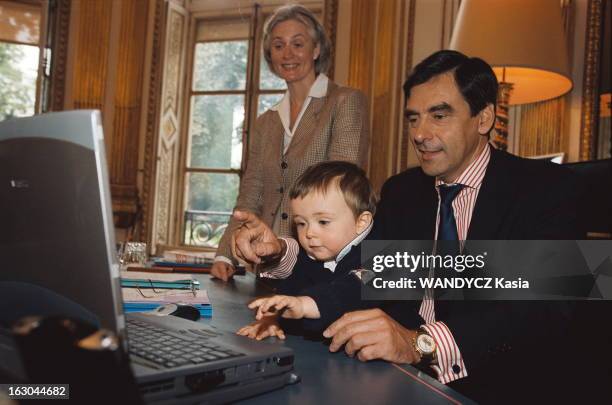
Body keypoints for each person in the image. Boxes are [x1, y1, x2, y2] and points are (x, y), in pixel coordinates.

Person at [230, 50, 599, 403]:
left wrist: (420, 343)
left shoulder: (549, 188)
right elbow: (361, 271)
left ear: (483, 118)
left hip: (502, 385)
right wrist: (280, 251)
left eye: (439, 116)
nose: (420, 133)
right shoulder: (402, 190)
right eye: (413, 118)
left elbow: (547, 309)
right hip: (392, 380)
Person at [211, 4, 370, 282]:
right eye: (278, 45)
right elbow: (250, 195)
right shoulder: (266, 122)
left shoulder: (345, 102)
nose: (288, 54)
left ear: (316, 49)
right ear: (269, 56)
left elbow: (340, 192)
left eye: (298, 43)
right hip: (268, 268)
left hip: (322, 269)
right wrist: (225, 253)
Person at [236, 161, 377, 341]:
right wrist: (273, 317)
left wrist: (304, 305)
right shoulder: (310, 256)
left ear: (361, 222)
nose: (309, 233)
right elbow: (289, 292)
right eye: (301, 223)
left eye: (323, 222)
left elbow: (354, 288)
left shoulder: (382, 256)